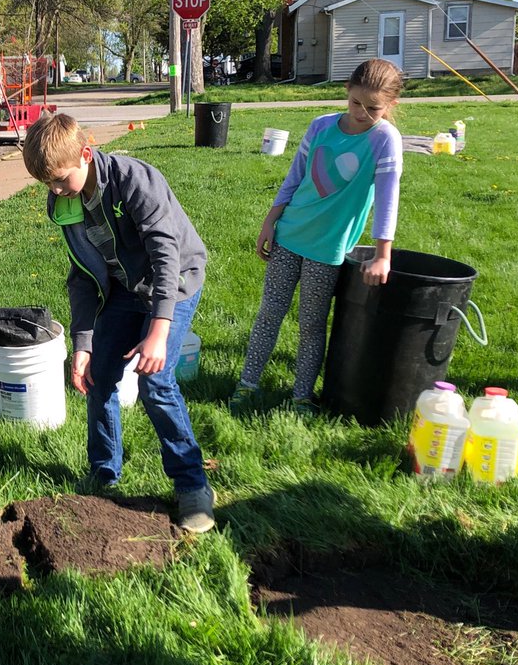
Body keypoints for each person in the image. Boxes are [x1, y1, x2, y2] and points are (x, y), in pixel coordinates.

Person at [22, 112, 215, 533]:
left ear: (85, 155)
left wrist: (159, 331)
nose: (54, 191)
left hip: (173, 283)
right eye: (47, 185)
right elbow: (83, 275)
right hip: (124, 291)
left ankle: (193, 485)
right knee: (99, 377)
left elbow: (166, 257)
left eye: (58, 180)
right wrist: (83, 344)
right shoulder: (64, 202)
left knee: (156, 383)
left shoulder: (135, 182)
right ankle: (104, 473)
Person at [229, 58, 404, 416]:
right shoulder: (320, 127)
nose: (361, 113)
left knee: (312, 324)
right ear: (347, 92)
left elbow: (388, 198)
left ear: (390, 106)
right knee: (269, 314)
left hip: (328, 249)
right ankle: (247, 384)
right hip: (290, 235)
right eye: (356, 102)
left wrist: (384, 254)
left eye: (373, 108)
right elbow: (294, 179)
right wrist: (270, 221)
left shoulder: (385, 139)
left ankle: (302, 395)